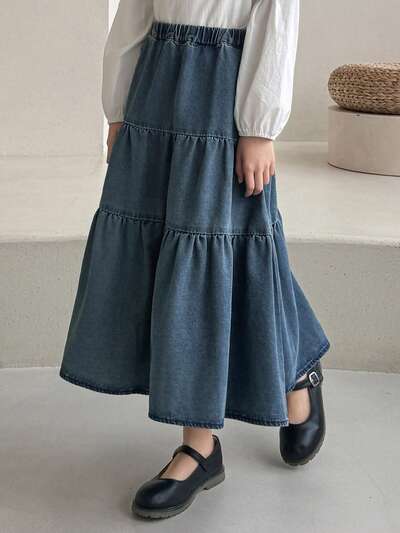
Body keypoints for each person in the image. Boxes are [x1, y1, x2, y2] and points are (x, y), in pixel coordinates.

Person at [59, 0, 331, 519]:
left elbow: (276, 23)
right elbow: (134, 17)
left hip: (224, 94)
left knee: (216, 257)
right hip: (156, 89)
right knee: (185, 252)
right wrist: (118, 107)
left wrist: (259, 127)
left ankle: (199, 447)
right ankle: (297, 370)